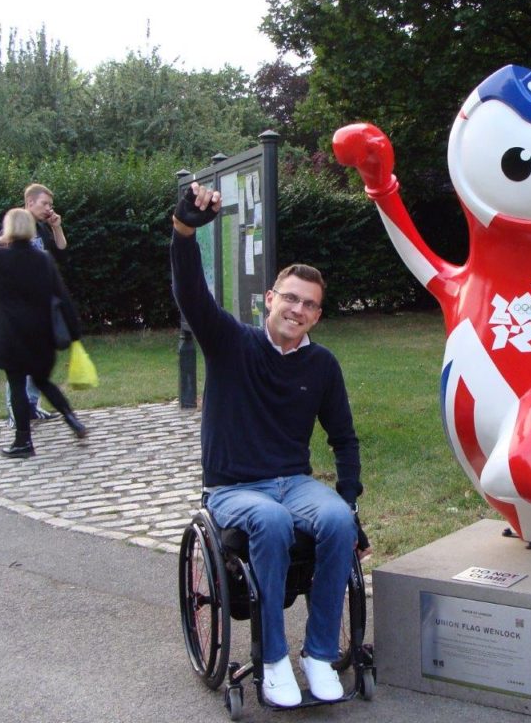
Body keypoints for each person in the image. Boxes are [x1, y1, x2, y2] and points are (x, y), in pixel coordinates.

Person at [171, 183, 370, 707]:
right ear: (270, 300)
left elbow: (343, 438)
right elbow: (191, 293)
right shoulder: (230, 343)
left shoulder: (321, 365)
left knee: (335, 521)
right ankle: (275, 659)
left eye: (309, 305)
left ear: (317, 315)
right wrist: (185, 230)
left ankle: (320, 654)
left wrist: (349, 498)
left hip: (294, 482)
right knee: (272, 521)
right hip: (234, 487)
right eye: (290, 299)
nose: (298, 310)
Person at [0, 208, 88, 458]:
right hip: (41, 332)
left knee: (17, 385)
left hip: (11, 332)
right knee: (42, 380)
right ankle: (71, 419)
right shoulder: (43, 259)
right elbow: (63, 297)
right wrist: (75, 333)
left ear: (9, 230)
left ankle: (23, 441)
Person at [6, 183, 69, 425]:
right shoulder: (15, 227)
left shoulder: (42, 228)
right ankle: (16, 409)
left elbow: (61, 254)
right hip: (20, 306)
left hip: (42, 304)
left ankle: (32, 405)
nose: (48, 208)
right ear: (29, 202)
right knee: (19, 361)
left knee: (38, 358)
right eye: (44, 204)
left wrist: (57, 227)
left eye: (50, 205)